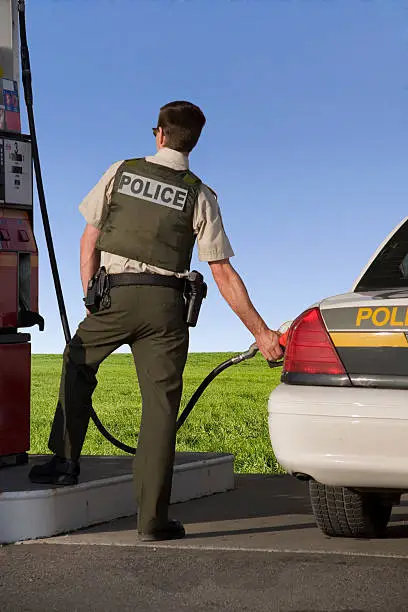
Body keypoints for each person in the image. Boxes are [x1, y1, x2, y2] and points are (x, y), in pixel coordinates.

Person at [29, 101, 283, 541]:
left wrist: (93, 294)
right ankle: (152, 520)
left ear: (159, 134)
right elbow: (222, 272)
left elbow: (89, 237)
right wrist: (262, 334)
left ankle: (65, 462)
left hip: (117, 295)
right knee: (160, 409)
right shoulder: (200, 193)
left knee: (76, 363)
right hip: (167, 308)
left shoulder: (121, 172)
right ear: (193, 142)